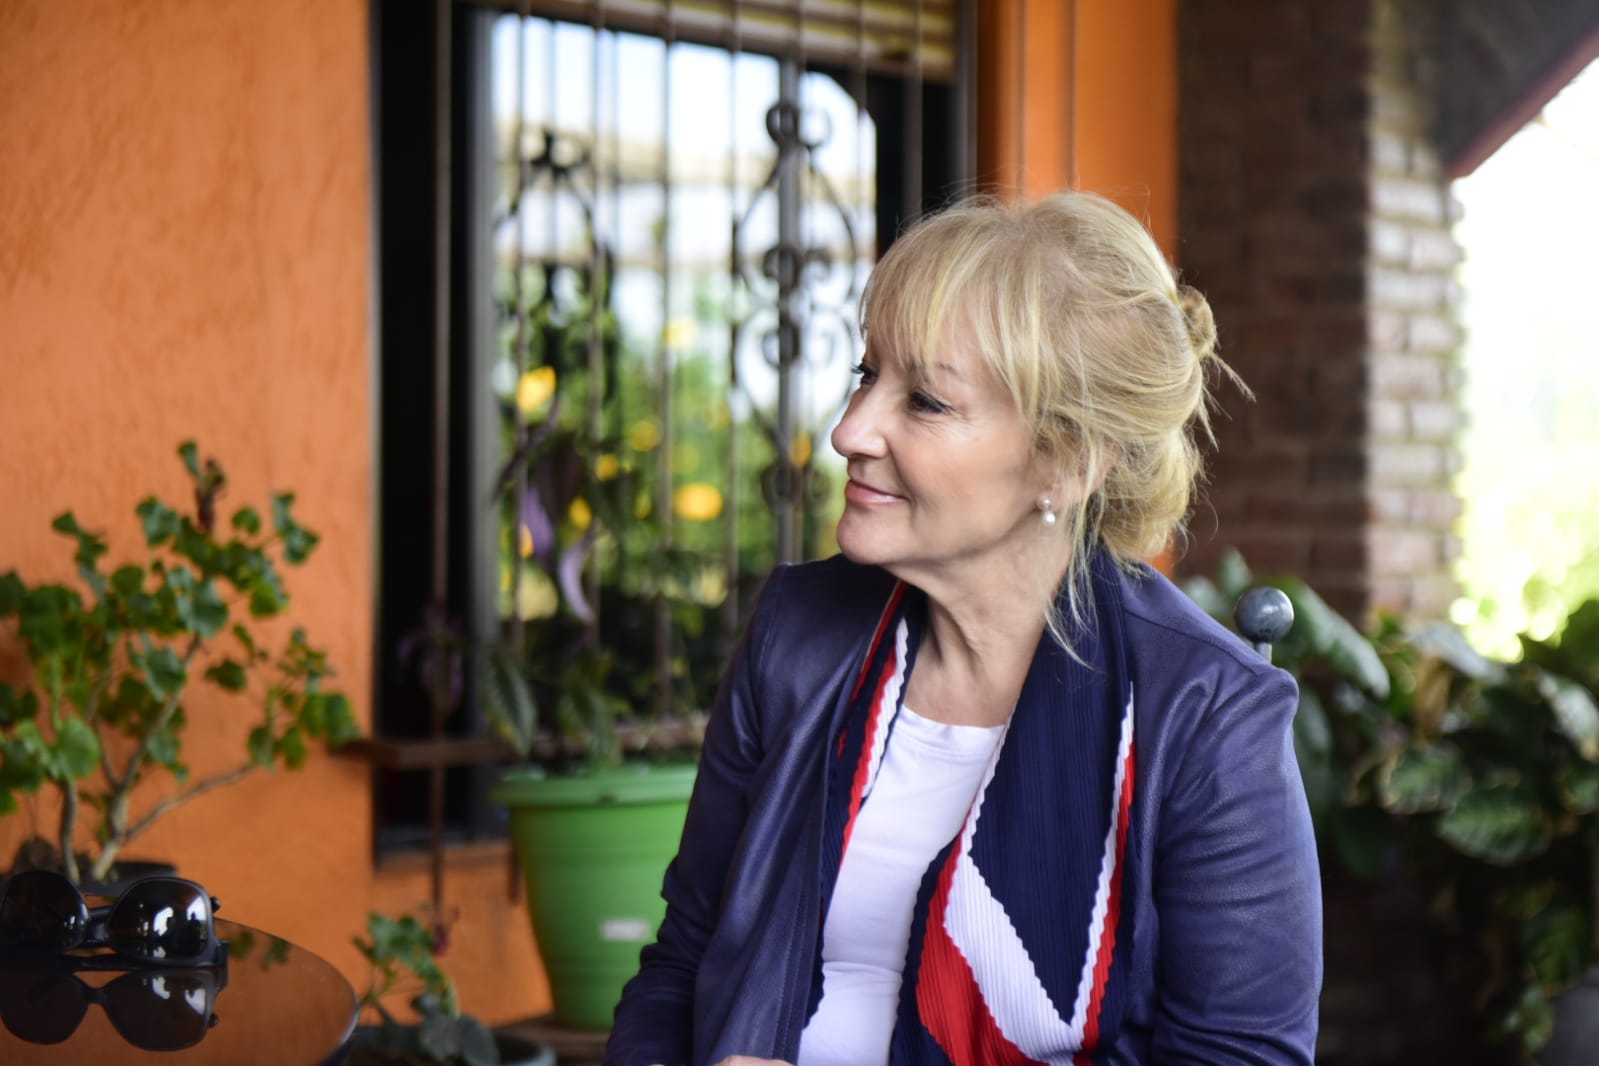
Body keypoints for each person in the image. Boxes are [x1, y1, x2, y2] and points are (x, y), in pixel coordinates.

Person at [605, 192, 1322, 1066]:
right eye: (865, 375)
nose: (848, 431)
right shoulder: (799, 636)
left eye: (925, 402)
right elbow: (685, 959)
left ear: (1064, 462)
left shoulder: (1204, 715)